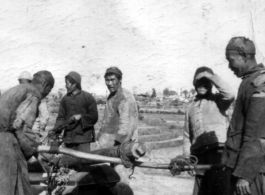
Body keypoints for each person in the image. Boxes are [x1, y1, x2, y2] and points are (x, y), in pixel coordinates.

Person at [222, 37, 265, 195]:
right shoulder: (249, 81)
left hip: (251, 174)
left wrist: (245, 175)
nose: (229, 66)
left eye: (231, 60)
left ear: (245, 56)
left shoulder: (259, 83)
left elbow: (256, 136)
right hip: (242, 169)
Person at [0, 70, 54, 195]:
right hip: (8, 141)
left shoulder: (15, 89)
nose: (46, 94)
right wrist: (38, 151)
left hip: (5, 137)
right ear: (46, 86)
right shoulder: (33, 94)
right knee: (13, 182)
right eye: (49, 91)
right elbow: (23, 128)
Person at [183, 66, 235, 195]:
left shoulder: (219, 100)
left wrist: (210, 76)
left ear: (211, 84)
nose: (202, 85)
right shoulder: (190, 107)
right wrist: (186, 158)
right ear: (194, 83)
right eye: (198, 81)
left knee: (219, 190)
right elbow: (186, 135)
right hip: (199, 156)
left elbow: (231, 94)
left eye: (206, 81)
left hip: (218, 154)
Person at [96, 67, 138, 184]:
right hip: (112, 147)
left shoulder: (125, 97)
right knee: (111, 180)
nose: (109, 83)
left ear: (120, 80)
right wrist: (99, 138)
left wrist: (117, 148)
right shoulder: (111, 97)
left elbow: (126, 128)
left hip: (123, 147)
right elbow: (106, 121)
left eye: (112, 80)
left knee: (121, 181)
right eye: (107, 80)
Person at [52, 71, 98, 153]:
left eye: (67, 83)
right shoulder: (64, 99)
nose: (65, 86)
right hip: (68, 139)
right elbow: (61, 117)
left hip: (83, 139)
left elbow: (94, 116)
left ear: (75, 84)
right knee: (68, 164)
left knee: (83, 163)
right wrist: (56, 131)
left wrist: (81, 117)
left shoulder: (88, 97)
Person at [18, 71, 50, 138]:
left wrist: (41, 130)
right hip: (20, 131)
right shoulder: (18, 96)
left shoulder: (38, 95)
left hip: (33, 131)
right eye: (21, 82)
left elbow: (45, 115)